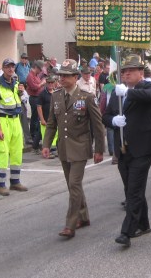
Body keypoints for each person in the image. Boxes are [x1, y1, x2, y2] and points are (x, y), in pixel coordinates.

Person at [102, 54, 151, 248]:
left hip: (142, 148)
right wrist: (113, 121)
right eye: (124, 71)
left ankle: (126, 231)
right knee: (131, 188)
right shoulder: (117, 93)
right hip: (123, 149)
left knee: (134, 190)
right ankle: (144, 224)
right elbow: (106, 116)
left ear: (140, 73)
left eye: (130, 71)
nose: (126, 74)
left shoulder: (147, 87)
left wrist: (128, 92)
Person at [42, 60, 105, 239]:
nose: (62, 78)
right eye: (60, 75)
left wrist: (99, 149)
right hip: (64, 147)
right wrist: (46, 144)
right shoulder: (56, 96)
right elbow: (51, 123)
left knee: (74, 184)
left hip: (80, 147)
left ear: (75, 77)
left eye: (66, 76)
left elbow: (97, 126)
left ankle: (70, 224)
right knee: (73, 185)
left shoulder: (87, 97)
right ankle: (83, 216)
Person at [0, 58, 27, 196]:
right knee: (3, 152)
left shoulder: (16, 83)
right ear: (3, 69)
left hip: (16, 120)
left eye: (12, 67)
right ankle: (0, 184)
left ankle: (15, 181)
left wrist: (21, 93)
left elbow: (20, 100)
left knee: (17, 151)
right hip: (3, 120)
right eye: (8, 67)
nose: (11, 69)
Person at [26, 60, 46, 153]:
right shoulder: (30, 76)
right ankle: (33, 136)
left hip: (37, 97)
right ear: (36, 67)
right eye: (40, 69)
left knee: (37, 118)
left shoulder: (36, 75)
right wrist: (42, 83)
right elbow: (34, 87)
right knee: (35, 118)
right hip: (34, 98)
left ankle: (36, 139)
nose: (40, 71)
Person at [37, 75, 58, 152]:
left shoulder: (56, 93)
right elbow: (39, 107)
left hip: (55, 119)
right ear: (46, 83)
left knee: (55, 135)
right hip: (45, 119)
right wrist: (42, 119)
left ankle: (53, 150)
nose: (50, 84)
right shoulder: (42, 94)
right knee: (46, 136)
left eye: (52, 83)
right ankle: (46, 150)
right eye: (49, 83)